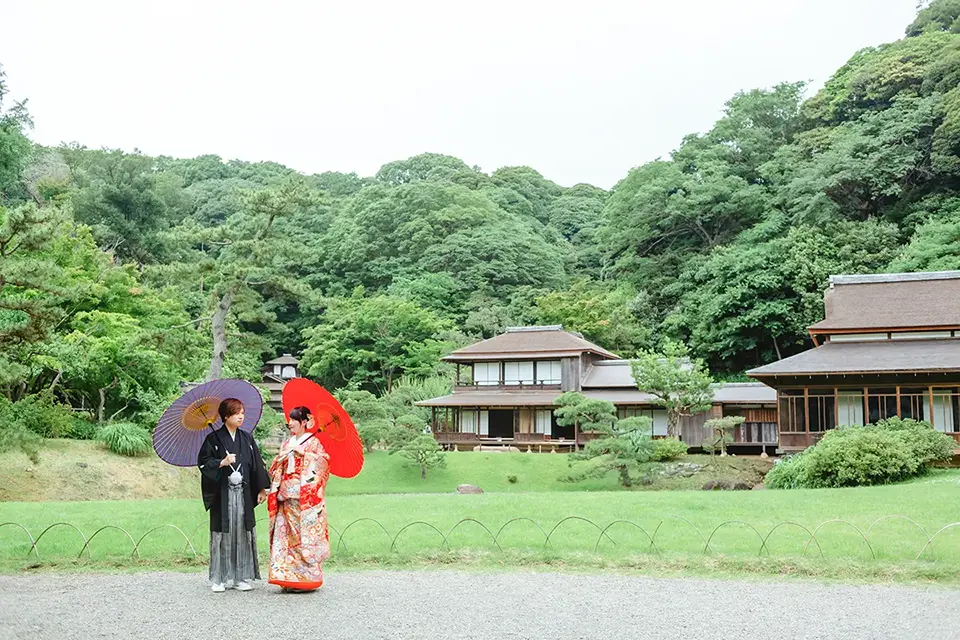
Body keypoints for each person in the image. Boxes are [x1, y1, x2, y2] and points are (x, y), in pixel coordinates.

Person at [197, 397, 270, 593]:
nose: (241, 416)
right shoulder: (213, 439)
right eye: (237, 413)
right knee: (222, 534)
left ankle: (240, 577)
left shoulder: (246, 438)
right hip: (223, 494)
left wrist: (262, 488)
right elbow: (203, 462)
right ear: (226, 415)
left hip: (244, 493)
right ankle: (219, 578)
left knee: (242, 533)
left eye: (242, 413)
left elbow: (257, 463)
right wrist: (221, 462)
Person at [267, 406, 331, 592]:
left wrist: (305, 454)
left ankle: (306, 578)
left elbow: (324, 462)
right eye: (290, 420)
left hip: (304, 498)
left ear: (304, 421)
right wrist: (281, 458)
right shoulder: (287, 443)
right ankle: (287, 577)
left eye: (294, 420)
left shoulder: (313, 443)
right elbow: (276, 468)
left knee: (303, 536)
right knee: (285, 535)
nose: (291, 423)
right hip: (285, 494)